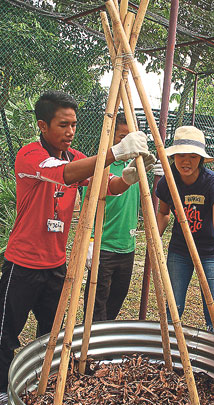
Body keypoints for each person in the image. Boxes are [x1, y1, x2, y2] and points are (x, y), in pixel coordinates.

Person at [0, 90, 155, 405]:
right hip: (22, 263)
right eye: (63, 124)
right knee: (8, 328)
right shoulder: (30, 156)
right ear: (42, 125)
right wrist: (114, 152)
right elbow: (64, 175)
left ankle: (38, 379)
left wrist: (130, 176)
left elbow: (106, 186)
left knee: (51, 332)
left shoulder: (76, 157)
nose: (70, 131)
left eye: (74, 125)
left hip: (56, 264)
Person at [155, 126, 214, 332]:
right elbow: (163, 213)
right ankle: (169, 347)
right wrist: (155, 239)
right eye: (181, 155)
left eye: (192, 156)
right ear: (173, 156)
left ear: (201, 159)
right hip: (179, 250)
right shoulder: (167, 182)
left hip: (210, 253)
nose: (185, 162)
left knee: (213, 310)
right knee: (173, 306)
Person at [83, 113, 140, 322]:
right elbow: (87, 206)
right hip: (103, 247)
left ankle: (104, 336)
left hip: (128, 247)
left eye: (130, 137)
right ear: (110, 137)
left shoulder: (137, 166)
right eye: (121, 136)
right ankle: (90, 345)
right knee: (96, 304)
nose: (126, 142)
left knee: (117, 298)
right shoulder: (101, 166)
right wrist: (89, 241)